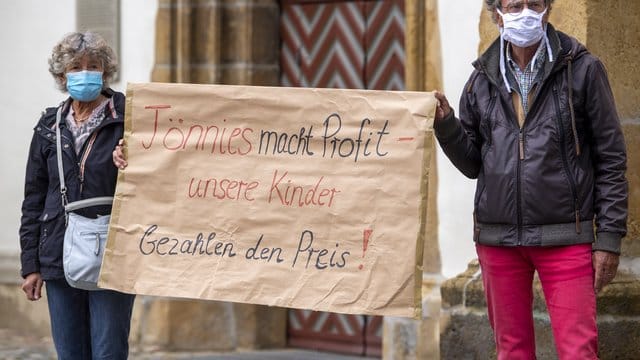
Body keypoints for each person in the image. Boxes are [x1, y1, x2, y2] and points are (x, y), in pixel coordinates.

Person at [433, 0, 627, 359]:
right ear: (497, 14)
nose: (525, 13)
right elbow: (474, 162)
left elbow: (611, 157)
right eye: (514, 5)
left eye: (534, 4)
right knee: (512, 351)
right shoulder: (481, 80)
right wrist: (447, 126)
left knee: (579, 351)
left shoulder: (583, 69)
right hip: (498, 241)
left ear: (547, 10)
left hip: (566, 237)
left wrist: (609, 238)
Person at [20, 32, 135, 359]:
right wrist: (31, 264)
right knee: (70, 353)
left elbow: (159, 170)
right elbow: (34, 198)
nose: (85, 72)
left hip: (115, 253)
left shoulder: (129, 118)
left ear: (105, 71)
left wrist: (134, 158)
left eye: (93, 65)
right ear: (61, 76)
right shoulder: (48, 125)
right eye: (76, 66)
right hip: (57, 253)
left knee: (108, 351)